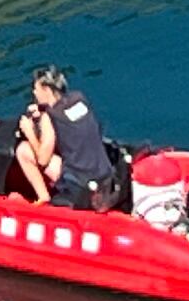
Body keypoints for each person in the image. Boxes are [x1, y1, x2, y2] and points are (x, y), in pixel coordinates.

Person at [14, 65, 123, 210]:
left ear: (46, 90)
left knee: (23, 150)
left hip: (80, 184)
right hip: (103, 175)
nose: (34, 92)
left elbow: (43, 160)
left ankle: (43, 199)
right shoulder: (79, 99)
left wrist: (29, 132)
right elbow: (68, 124)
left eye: (36, 89)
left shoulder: (50, 117)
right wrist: (42, 110)